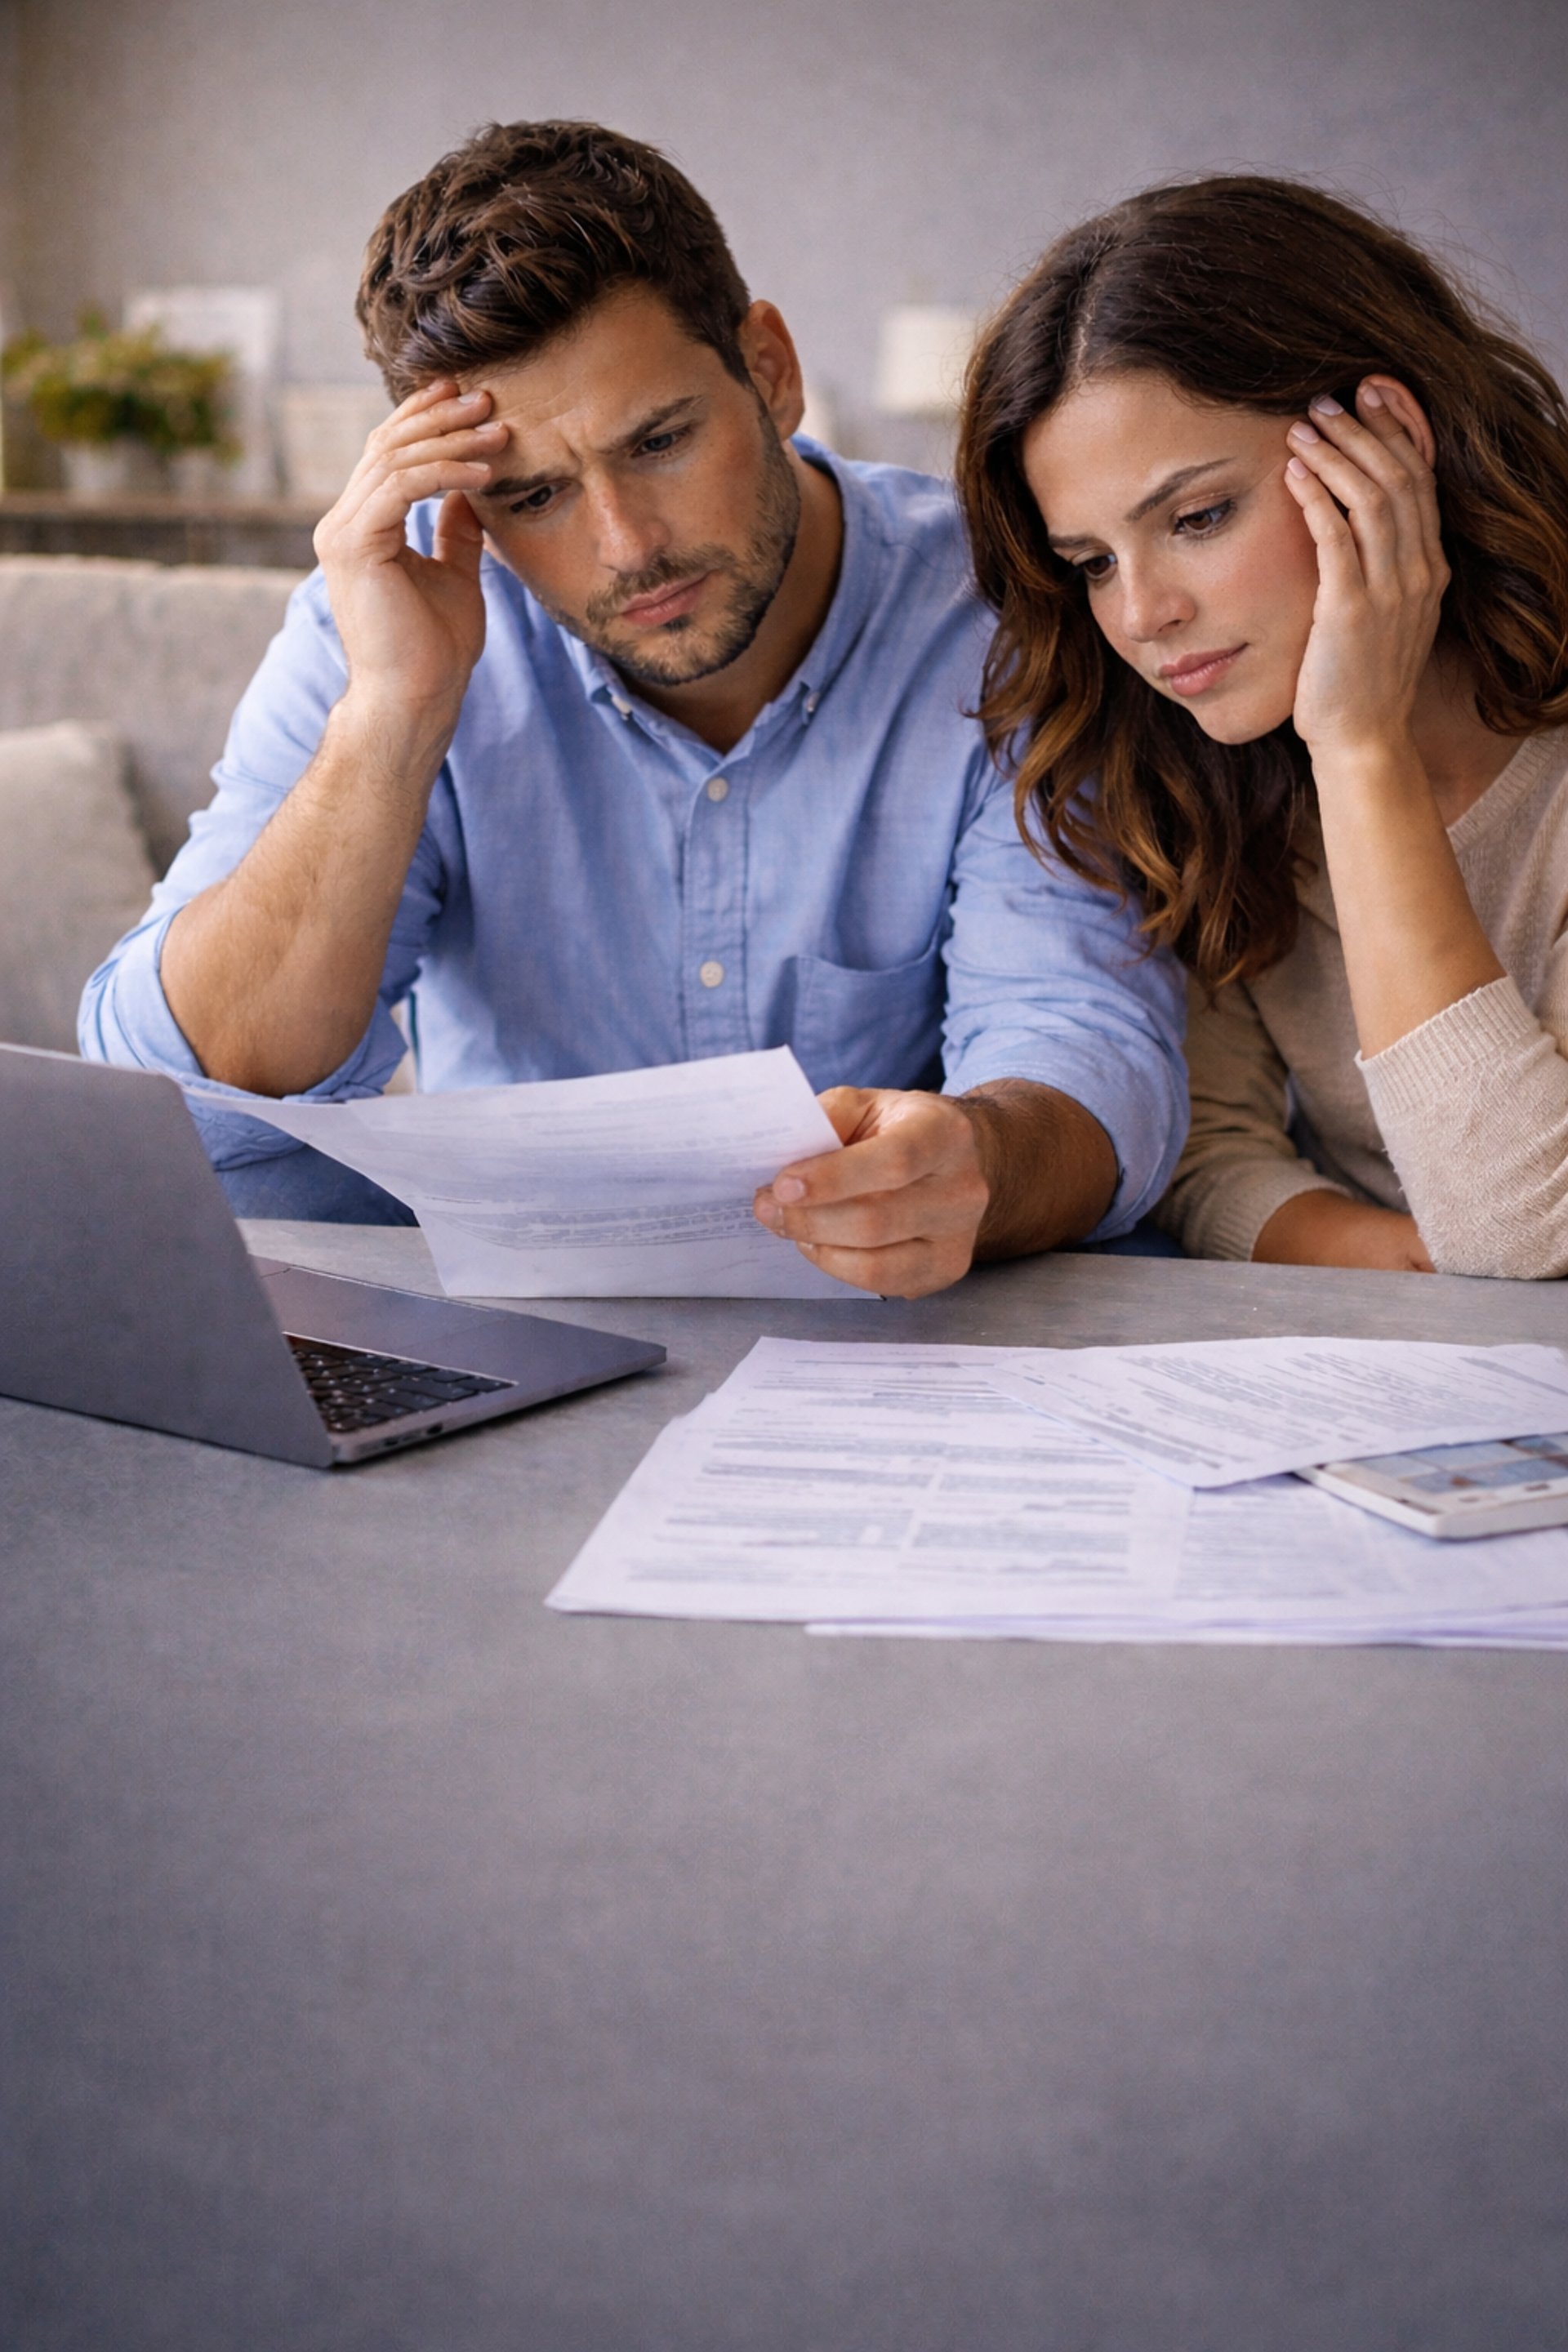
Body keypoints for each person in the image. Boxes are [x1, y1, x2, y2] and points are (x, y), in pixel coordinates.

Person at [81, 119, 1186, 1298]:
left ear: (768, 367)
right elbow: (197, 1109)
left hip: (897, 1326)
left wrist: (972, 1167)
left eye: (659, 441)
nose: (627, 548)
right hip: (524, 1326)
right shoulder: (393, 615)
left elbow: (1086, 1054)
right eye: (536, 495)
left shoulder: (999, 613)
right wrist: (395, 714)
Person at [956, 173, 1568, 1282]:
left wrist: (1363, 748)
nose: (1143, 615)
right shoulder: (1221, 773)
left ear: (1385, 445)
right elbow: (1204, 1154)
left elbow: (1528, 1236)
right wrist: (1415, 1263)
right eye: (1093, 563)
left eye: (1198, 518)